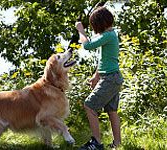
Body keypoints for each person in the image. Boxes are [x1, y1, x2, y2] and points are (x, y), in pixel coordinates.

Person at [75, 6, 123, 150]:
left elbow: (88, 45)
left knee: (89, 105)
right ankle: (117, 144)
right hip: (112, 78)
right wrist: (96, 77)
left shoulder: (108, 35)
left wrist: (80, 30)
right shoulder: (111, 35)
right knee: (112, 111)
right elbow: (105, 60)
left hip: (110, 79)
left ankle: (96, 143)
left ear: (98, 24)